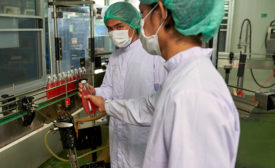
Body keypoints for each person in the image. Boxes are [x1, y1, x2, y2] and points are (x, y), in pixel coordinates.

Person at [84, 0, 240, 168]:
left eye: (142, 14)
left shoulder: (192, 92)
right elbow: (149, 107)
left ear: (160, 12)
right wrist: (105, 105)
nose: (141, 24)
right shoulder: (183, 77)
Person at [79, 2, 167, 168]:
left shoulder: (153, 54)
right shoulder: (115, 56)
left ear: (134, 23)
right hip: (118, 133)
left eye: (119, 26)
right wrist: (95, 91)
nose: (114, 33)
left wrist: (108, 105)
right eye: (110, 28)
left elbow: (160, 103)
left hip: (142, 136)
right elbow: (110, 89)